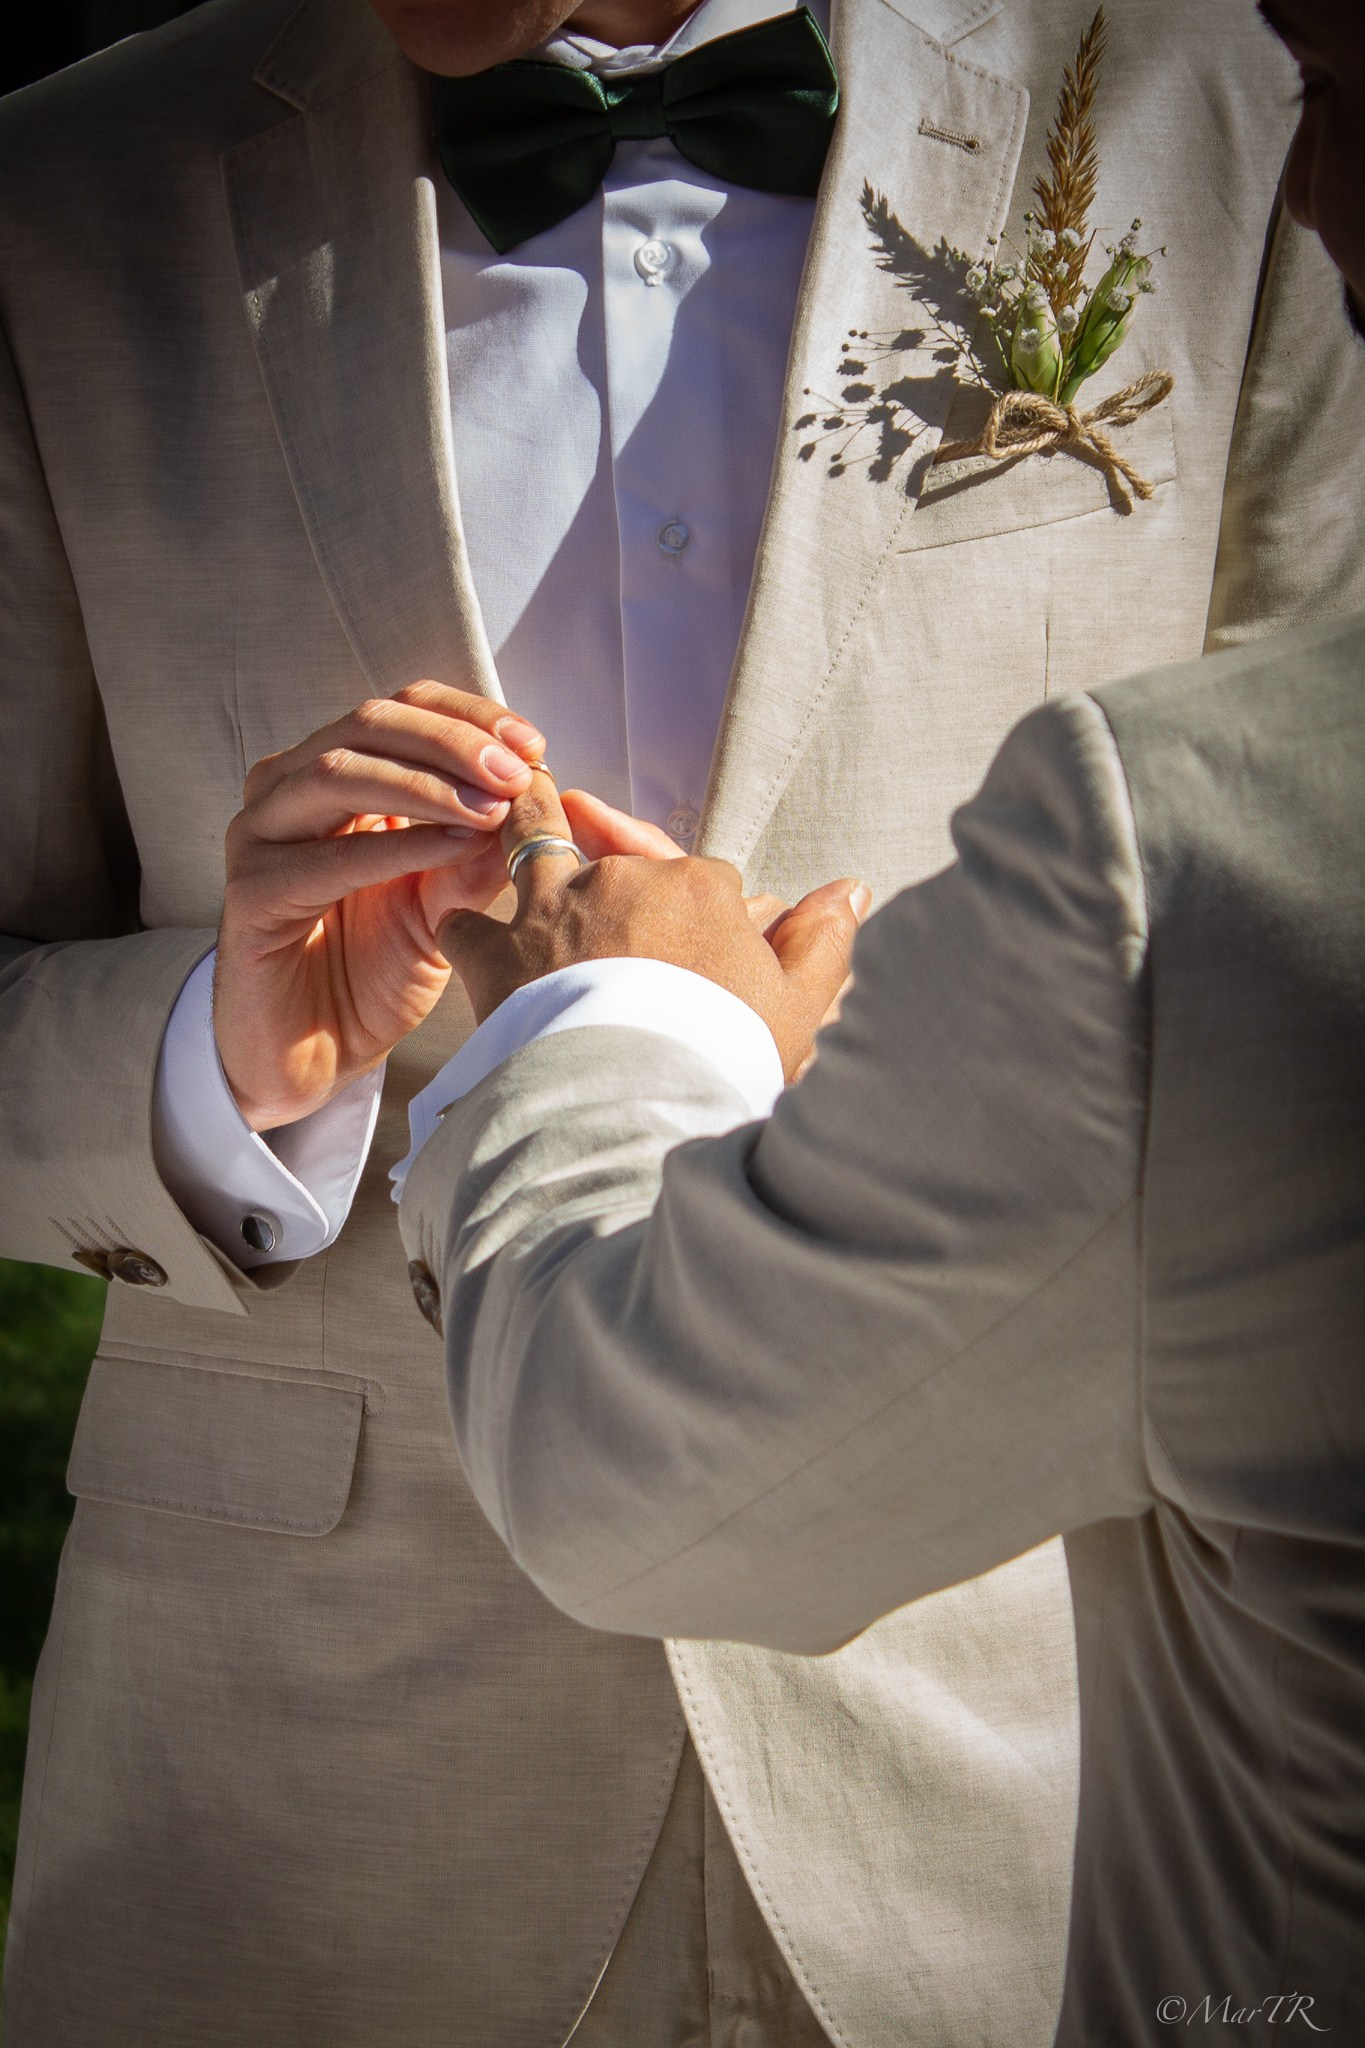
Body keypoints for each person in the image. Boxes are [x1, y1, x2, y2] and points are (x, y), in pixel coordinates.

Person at [0, 0, 1361, 2041]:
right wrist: (219, 1060)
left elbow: (1311, 915)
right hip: (305, 1798)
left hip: (1001, 1758)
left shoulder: (1224, 109)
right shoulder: (58, 188)